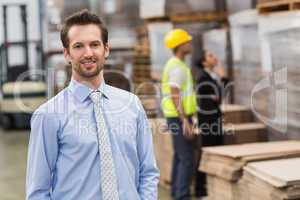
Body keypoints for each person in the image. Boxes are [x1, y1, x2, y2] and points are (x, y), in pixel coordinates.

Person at [26, 9, 159, 200]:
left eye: (94, 44)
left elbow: (148, 172)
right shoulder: (48, 115)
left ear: (106, 49)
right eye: (79, 46)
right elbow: (38, 191)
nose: (88, 53)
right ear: (67, 54)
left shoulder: (132, 105)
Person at [161, 29, 198, 200]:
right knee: (186, 159)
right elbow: (175, 93)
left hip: (176, 116)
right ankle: (182, 196)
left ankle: (177, 193)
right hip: (179, 117)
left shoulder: (177, 64)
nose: (190, 44)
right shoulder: (177, 67)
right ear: (180, 45)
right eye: (187, 41)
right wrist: (185, 121)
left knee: (179, 156)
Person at [194, 50, 229, 198]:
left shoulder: (209, 76)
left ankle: (210, 187)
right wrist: (224, 78)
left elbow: (218, 97)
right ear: (204, 62)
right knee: (208, 152)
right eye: (210, 56)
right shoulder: (203, 77)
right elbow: (217, 97)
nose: (215, 57)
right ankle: (200, 189)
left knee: (214, 150)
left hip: (213, 118)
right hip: (208, 121)